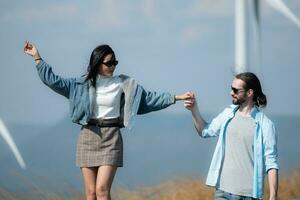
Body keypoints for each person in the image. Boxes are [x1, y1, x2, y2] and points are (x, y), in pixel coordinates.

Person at [24, 41, 191, 200]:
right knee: (90, 193)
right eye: (109, 63)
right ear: (97, 63)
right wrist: (37, 58)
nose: (113, 66)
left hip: (111, 138)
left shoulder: (124, 84)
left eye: (115, 62)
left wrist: (175, 97)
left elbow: (149, 99)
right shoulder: (80, 84)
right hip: (88, 137)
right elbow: (53, 81)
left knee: (102, 191)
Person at [184, 72, 279, 200]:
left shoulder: (266, 125)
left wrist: (273, 195)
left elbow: (271, 163)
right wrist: (194, 110)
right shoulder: (228, 114)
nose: (231, 93)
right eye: (231, 88)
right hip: (222, 192)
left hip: (249, 195)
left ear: (250, 93)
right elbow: (204, 131)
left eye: (235, 90)